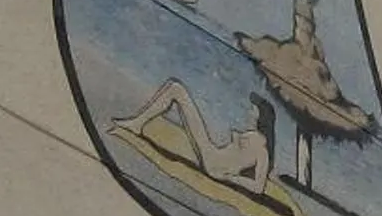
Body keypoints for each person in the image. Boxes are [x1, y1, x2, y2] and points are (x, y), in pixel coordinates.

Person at [113, 80, 275, 197]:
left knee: (177, 89)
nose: (249, 111)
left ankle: (137, 124)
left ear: (260, 116)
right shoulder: (256, 141)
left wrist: (232, 178)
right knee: (175, 88)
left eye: (253, 109)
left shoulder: (262, 150)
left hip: (214, 164)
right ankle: (137, 123)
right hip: (213, 157)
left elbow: (258, 187)